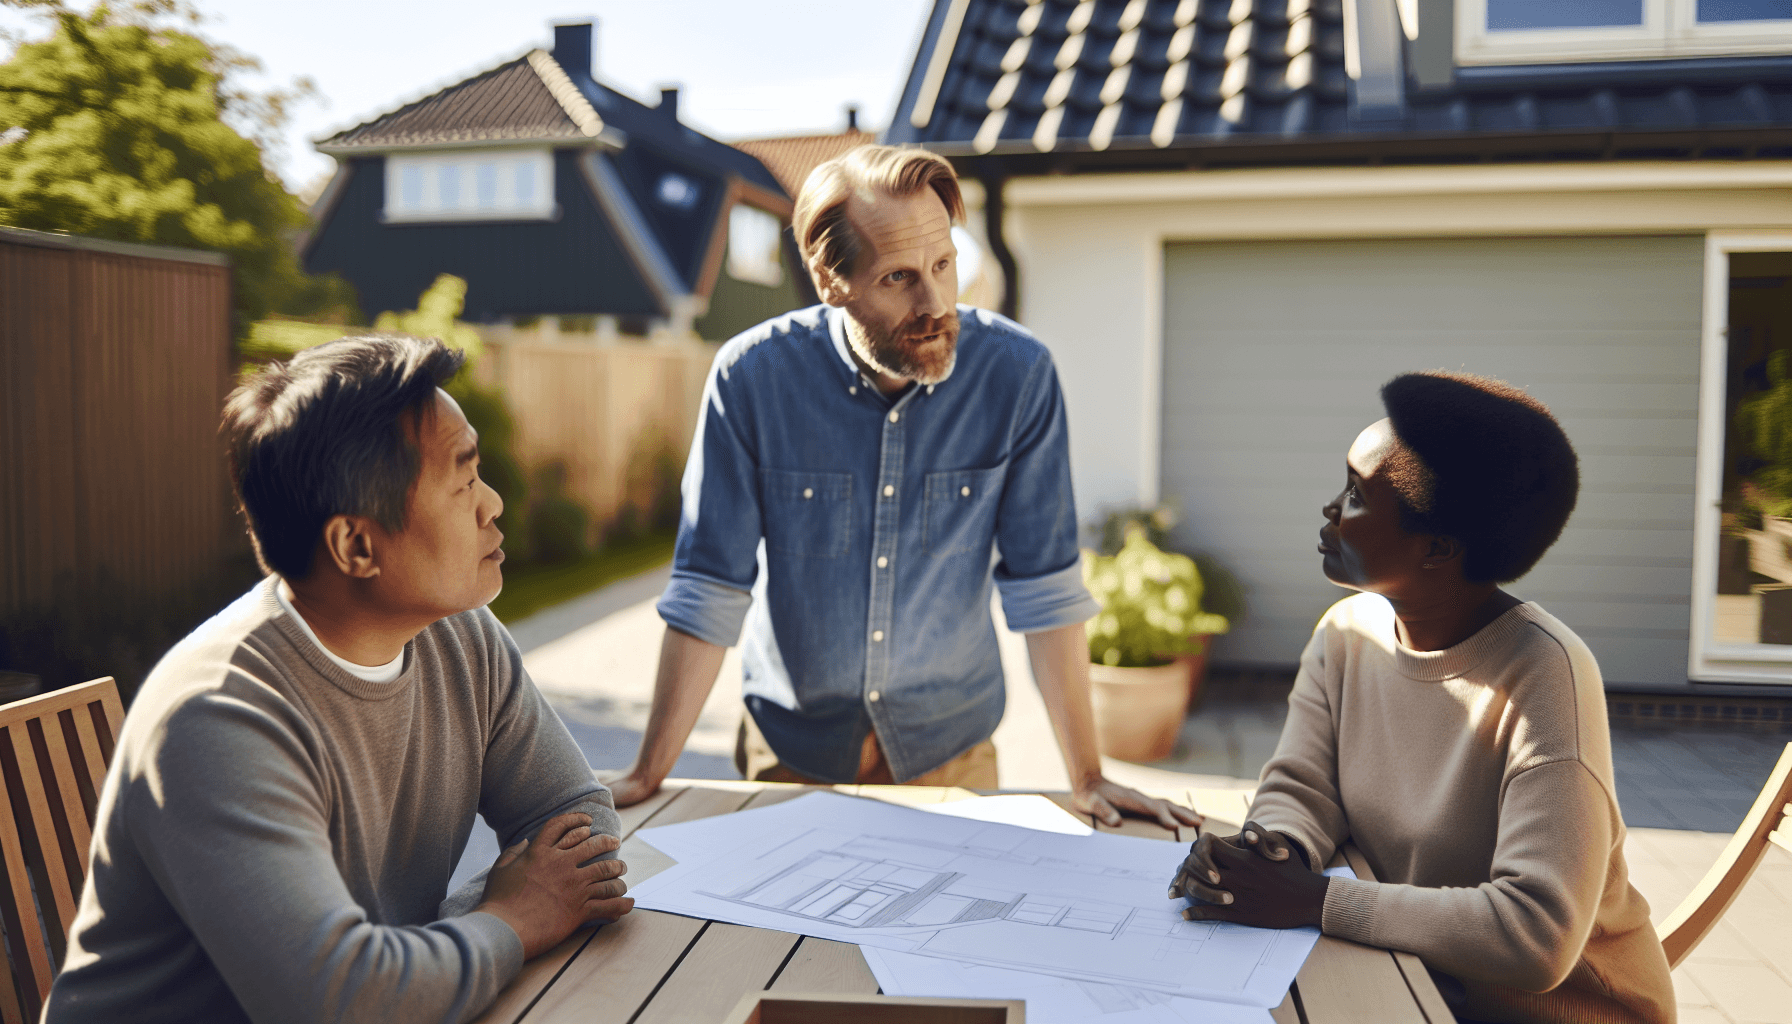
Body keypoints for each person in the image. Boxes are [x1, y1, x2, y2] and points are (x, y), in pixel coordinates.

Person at [605, 145, 1199, 829]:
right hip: (791, 755)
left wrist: (1088, 776)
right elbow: (709, 589)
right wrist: (649, 771)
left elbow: (1045, 590)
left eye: (944, 264)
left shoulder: (1018, 376)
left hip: (952, 755)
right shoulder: (750, 380)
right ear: (832, 280)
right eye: (898, 278)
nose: (936, 302)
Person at [47, 336, 633, 1024]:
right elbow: (343, 1003)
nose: (494, 503)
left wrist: (420, 958)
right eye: (464, 482)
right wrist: (517, 916)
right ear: (356, 546)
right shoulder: (219, 716)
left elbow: (576, 821)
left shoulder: (459, 637)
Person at [1167, 371, 1675, 1024]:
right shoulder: (1346, 635)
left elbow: (1537, 933)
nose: (1330, 508)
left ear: (1437, 545)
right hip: (1414, 977)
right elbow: (1303, 787)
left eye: (1355, 495)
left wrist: (1316, 901)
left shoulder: (1546, 675)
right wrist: (1269, 855)